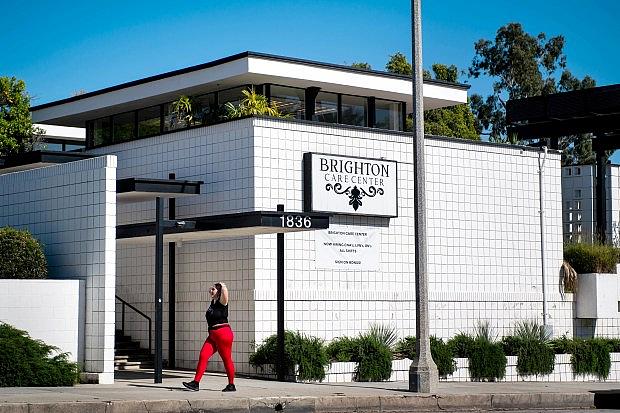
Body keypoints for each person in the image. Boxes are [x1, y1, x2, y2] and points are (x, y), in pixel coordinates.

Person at [183, 282, 236, 392]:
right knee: (203, 355)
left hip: (223, 334)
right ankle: (195, 383)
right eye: (211, 289)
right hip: (212, 335)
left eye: (214, 289)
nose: (211, 291)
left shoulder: (223, 302)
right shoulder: (213, 302)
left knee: (226, 359)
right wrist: (216, 289)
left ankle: (231, 385)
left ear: (219, 292)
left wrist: (223, 286)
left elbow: (225, 294)